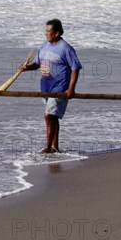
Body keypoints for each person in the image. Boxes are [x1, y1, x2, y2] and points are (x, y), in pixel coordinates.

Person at [20, 19, 82, 153]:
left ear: (56, 33)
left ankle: (47, 148)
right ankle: (55, 147)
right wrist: (26, 68)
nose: (45, 34)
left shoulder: (66, 48)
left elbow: (75, 68)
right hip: (45, 88)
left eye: (48, 31)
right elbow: (37, 63)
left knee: (48, 116)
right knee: (52, 118)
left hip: (59, 89)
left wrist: (71, 89)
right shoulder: (44, 45)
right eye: (45, 31)